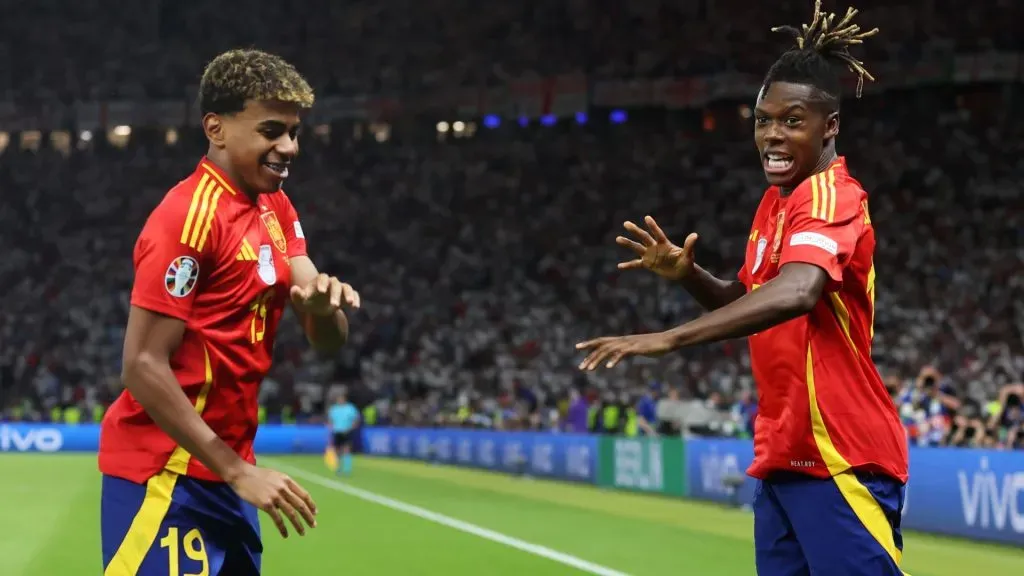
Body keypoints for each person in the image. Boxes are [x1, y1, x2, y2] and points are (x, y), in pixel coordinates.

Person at [576, 2, 909, 574]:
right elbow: (751, 300)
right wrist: (689, 278)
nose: (772, 136)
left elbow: (798, 292)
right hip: (782, 456)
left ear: (829, 126)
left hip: (840, 456)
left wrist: (669, 340)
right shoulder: (776, 204)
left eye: (792, 120)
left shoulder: (833, 196)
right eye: (762, 120)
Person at [98, 49, 361, 575]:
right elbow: (143, 364)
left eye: (292, 131)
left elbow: (328, 338)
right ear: (216, 128)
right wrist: (237, 471)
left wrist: (321, 307)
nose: (288, 147)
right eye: (271, 130)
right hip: (166, 474)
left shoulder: (276, 207)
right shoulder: (187, 219)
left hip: (228, 472)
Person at [327, 391, 361, 476]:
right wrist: (331, 428)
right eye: (339, 399)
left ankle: (347, 470)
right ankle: (338, 468)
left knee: (347, 450)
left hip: (347, 431)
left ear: (345, 399)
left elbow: (356, 419)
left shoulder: (350, 408)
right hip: (337, 431)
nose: (340, 400)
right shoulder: (334, 409)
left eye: (341, 399)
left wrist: (351, 428)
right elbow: (330, 420)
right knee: (337, 451)